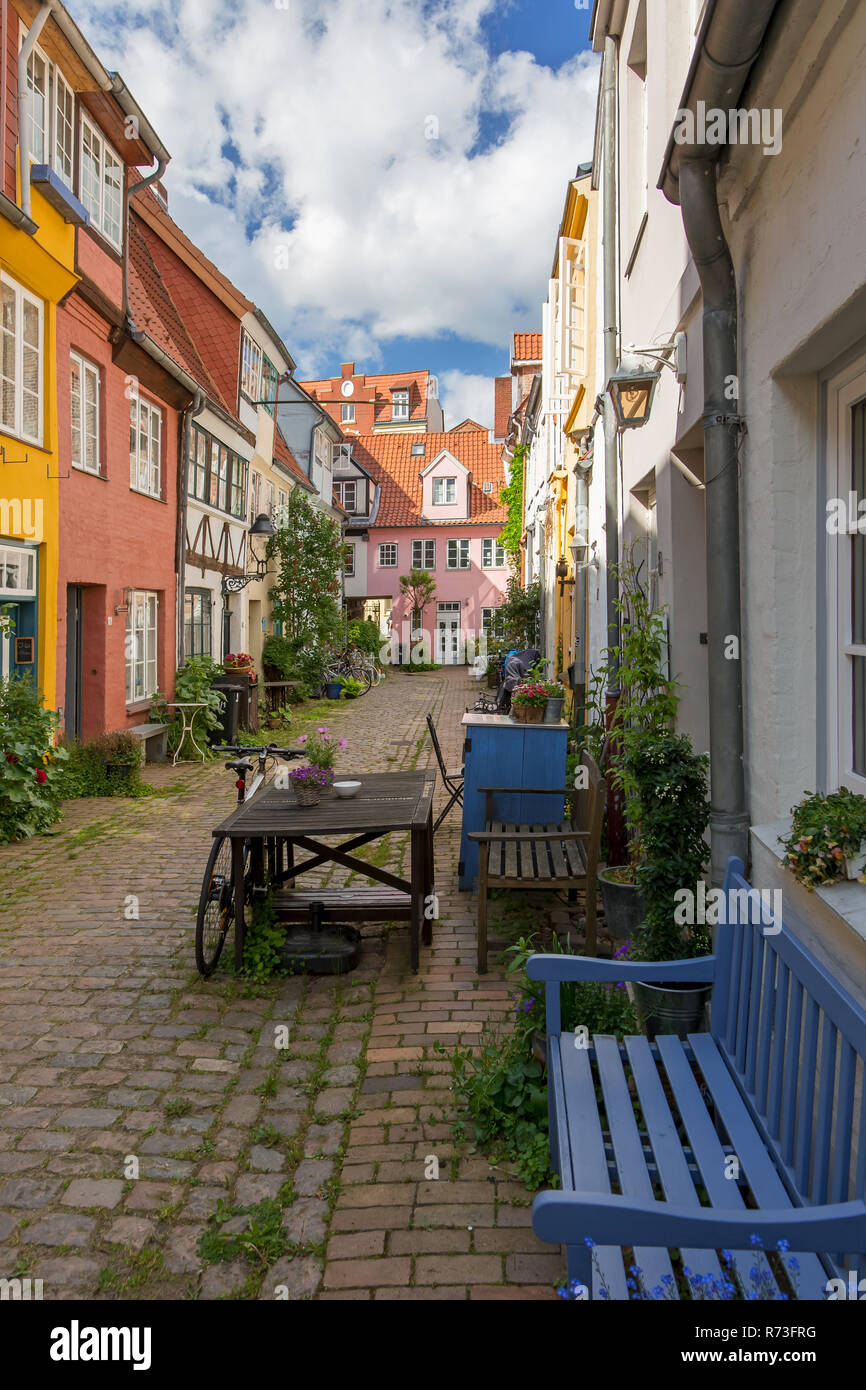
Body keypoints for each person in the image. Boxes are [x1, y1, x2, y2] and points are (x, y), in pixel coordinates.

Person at [495, 647, 542, 713]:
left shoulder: (514, 660)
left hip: (510, 680)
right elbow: (525, 674)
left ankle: (504, 706)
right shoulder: (519, 663)